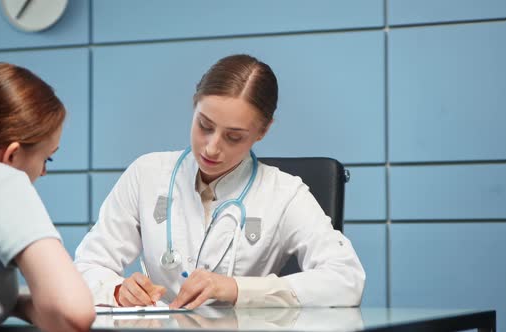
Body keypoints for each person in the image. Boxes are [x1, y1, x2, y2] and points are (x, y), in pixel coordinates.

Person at [74, 54, 365, 309]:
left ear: (262, 131)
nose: (212, 147)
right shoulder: (146, 174)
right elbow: (88, 265)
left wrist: (238, 289)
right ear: (194, 107)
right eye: (204, 126)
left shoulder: (286, 194)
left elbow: (346, 279)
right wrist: (117, 290)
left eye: (234, 136)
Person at [0, 63, 95, 331]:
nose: (44, 172)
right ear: (11, 155)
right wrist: (20, 303)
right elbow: (73, 313)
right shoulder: (0, 179)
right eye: (47, 158)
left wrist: (3, 296)